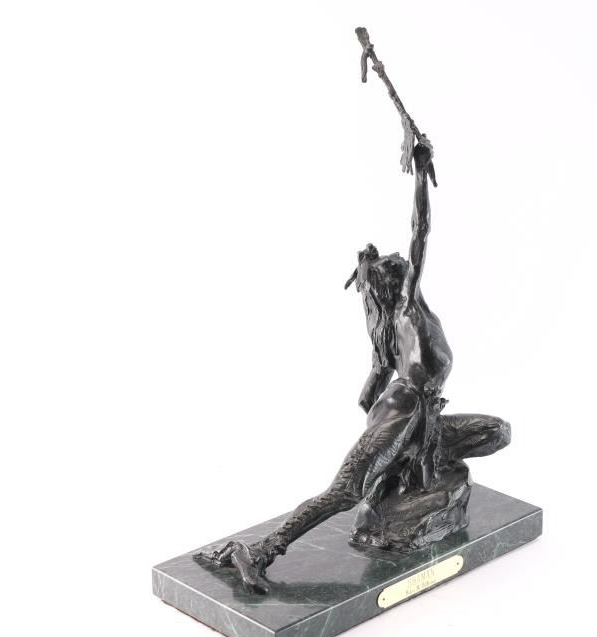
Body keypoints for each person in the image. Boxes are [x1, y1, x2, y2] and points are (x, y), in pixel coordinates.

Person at [196, 142, 510, 592]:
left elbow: (367, 396)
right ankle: (259, 551)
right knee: (344, 492)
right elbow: (420, 231)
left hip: (419, 418)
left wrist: (408, 439)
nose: (403, 261)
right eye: (398, 265)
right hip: (404, 413)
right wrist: (421, 176)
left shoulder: (394, 331)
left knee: (495, 431)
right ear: (396, 282)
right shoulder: (408, 308)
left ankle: (412, 467)